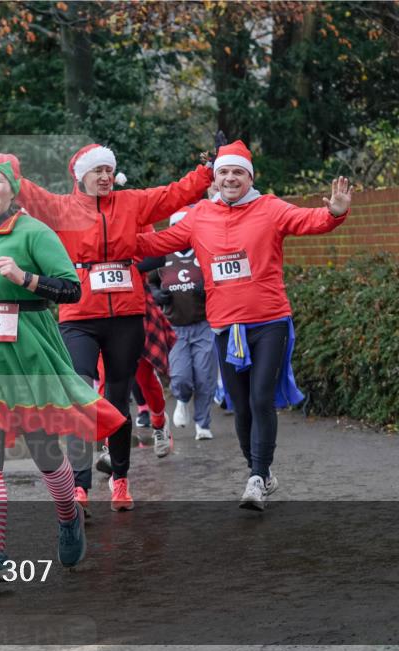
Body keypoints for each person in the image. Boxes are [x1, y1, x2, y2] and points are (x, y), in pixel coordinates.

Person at [0, 121, 213, 512]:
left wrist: (208, 171)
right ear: (80, 176)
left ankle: (120, 479)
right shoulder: (61, 208)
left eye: (108, 170)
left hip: (125, 314)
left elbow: (175, 195)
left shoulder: (133, 202)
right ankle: (80, 486)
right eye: (96, 171)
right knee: (81, 392)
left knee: (117, 400)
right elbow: (16, 184)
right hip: (79, 314)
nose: (104, 177)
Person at [135, 140, 353, 510]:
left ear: (249, 176)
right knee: (240, 404)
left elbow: (308, 220)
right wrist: (112, 237)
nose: (230, 178)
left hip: (269, 320)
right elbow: (158, 242)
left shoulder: (269, 208)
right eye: (224, 172)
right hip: (224, 326)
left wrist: (334, 212)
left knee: (260, 397)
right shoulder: (200, 214)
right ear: (215, 179)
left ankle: (256, 477)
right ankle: (259, 471)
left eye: (238, 172)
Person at [0, 153, 124, 566]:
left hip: (30, 350)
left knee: (43, 449)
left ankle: (67, 516)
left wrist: (25, 279)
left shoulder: (35, 233)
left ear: (13, 189)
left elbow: (72, 290)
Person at [150, 207, 217, 441]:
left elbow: (220, 280)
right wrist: (156, 294)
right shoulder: (162, 257)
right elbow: (149, 282)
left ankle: (203, 424)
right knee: (180, 376)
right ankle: (181, 400)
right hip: (174, 327)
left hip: (203, 325)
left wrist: (207, 288)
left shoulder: (204, 253)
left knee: (204, 376)